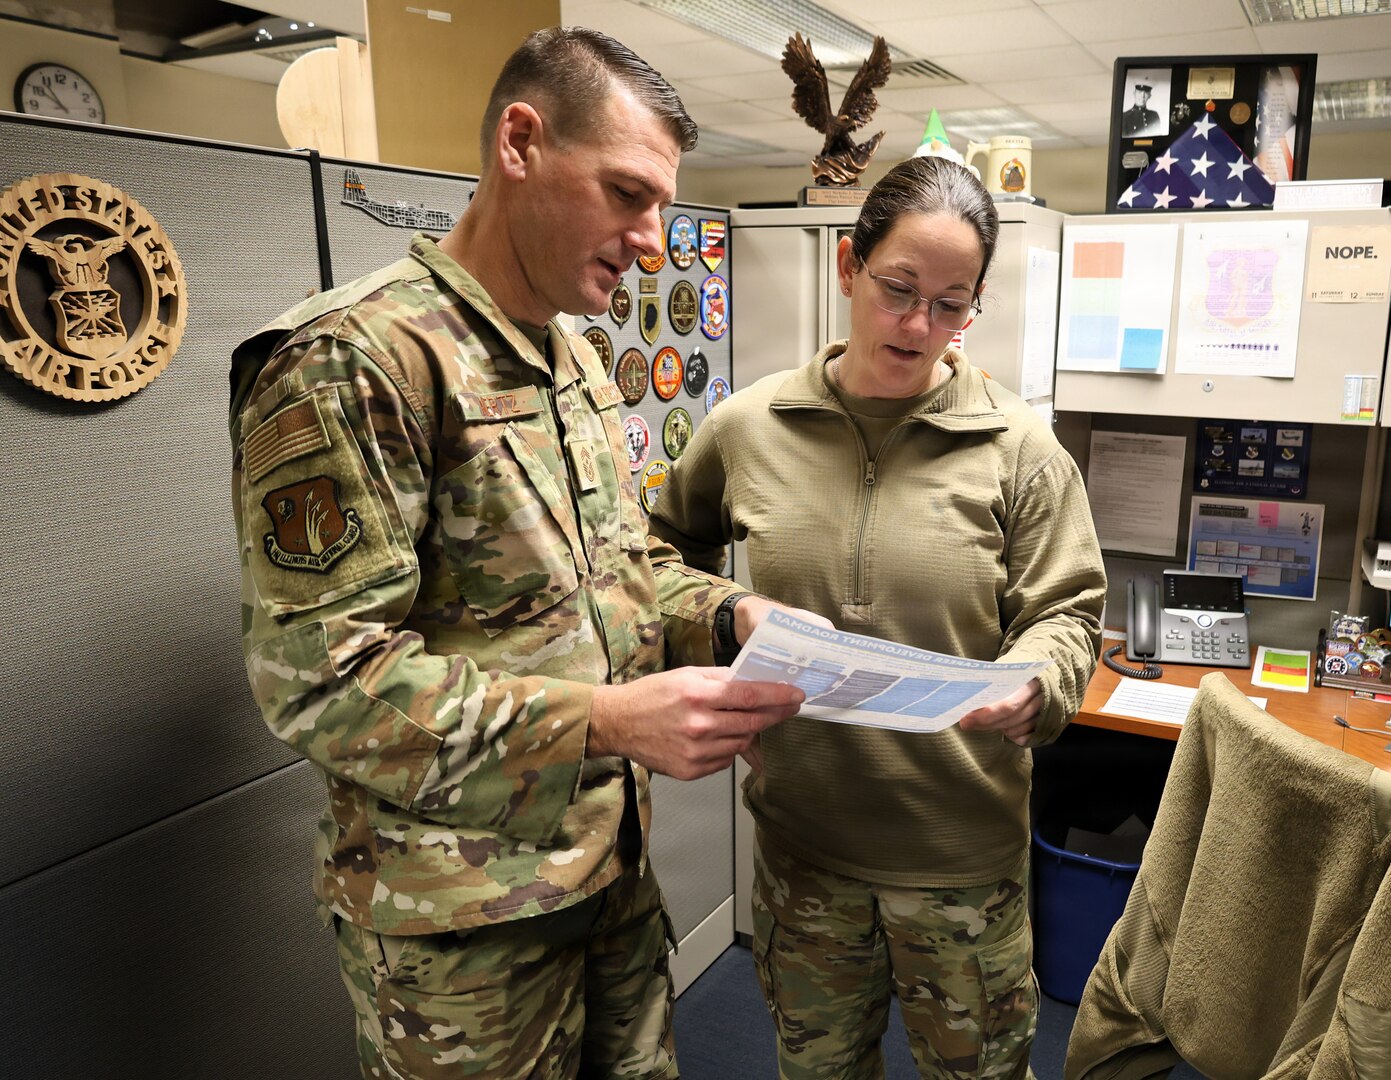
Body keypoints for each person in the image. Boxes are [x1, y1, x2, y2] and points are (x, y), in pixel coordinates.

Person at [227, 26, 809, 1079]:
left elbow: (623, 570)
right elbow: (320, 678)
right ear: (521, 142)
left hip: (608, 873)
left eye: (662, 207)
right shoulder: (355, 361)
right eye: (628, 193)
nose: (651, 238)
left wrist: (730, 617)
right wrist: (606, 718)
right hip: (462, 925)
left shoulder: (572, 361)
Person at [648, 155, 1107, 1079]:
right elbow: (649, 563)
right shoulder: (747, 425)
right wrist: (728, 613)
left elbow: (1065, 611)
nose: (919, 326)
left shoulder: (1019, 447)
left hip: (961, 862)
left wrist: (1038, 681)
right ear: (849, 268)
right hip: (805, 848)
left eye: (952, 303)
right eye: (898, 289)